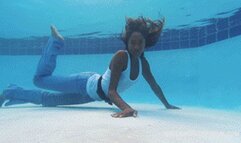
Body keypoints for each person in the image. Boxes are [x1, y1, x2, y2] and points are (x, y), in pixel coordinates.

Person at [0, 17, 180, 118]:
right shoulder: (121, 56)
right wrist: (126, 108)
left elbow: (154, 85)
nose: (136, 47)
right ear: (127, 42)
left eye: (140, 43)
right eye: (132, 42)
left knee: (47, 100)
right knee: (39, 80)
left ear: (145, 44)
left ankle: (11, 92)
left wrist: (167, 104)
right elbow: (111, 90)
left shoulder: (143, 64)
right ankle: (55, 43)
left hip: (90, 96)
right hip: (84, 83)